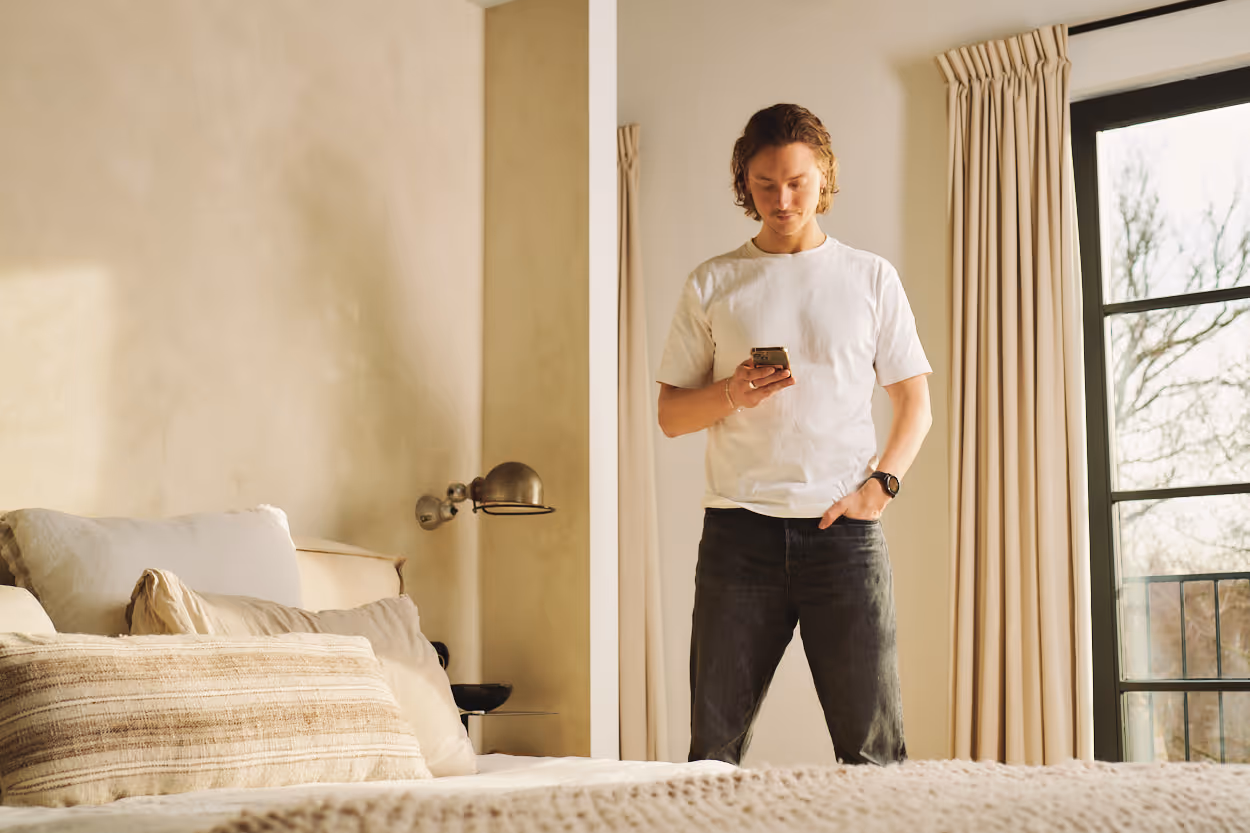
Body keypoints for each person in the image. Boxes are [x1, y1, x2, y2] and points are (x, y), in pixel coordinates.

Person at [656, 103, 932, 766]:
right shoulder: (713, 282)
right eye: (765, 184)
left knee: (875, 754)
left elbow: (915, 402)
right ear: (743, 183)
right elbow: (670, 416)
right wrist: (731, 393)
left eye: (798, 182)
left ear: (824, 176)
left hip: (846, 536)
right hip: (737, 538)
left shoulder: (870, 277)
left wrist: (881, 487)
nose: (782, 199)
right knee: (712, 755)